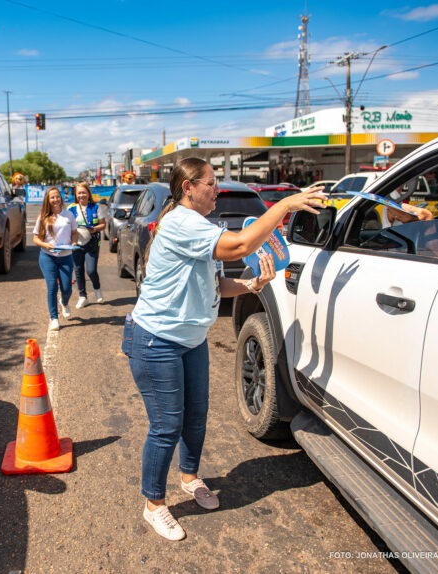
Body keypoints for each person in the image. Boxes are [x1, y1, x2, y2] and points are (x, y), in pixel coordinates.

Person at [122, 157, 326, 541]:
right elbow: (243, 244)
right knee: (167, 426)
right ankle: (153, 504)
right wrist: (283, 206)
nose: (217, 190)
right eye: (212, 184)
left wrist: (251, 286)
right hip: (156, 340)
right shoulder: (181, 222)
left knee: (196, 417)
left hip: (192, 340)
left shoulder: (201, 226)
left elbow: (216, 284)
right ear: (189, 188)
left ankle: (190, 478)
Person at [33, 187, 78, 331]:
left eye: (57, 196)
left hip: (66, 257)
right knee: (52, 287)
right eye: (52, 197)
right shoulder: (43, 217)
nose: (55, 200)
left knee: (67, 288)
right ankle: (54, 318)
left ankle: (64, 302)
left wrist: (74, 242)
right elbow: (35, 238)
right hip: (48, 257)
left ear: (61, 198)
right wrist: (46, 245)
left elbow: (74, 233)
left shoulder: (68, 215)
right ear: (48, 200)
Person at [67, 182, 106, 308]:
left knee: (91, 270)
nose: (82, 195)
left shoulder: (96, 207)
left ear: (89, 194)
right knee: (78, 270)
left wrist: (95, 229)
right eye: (79, 193)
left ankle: (97, 289)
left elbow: (103, 224)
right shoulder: (70, 208)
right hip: (76, 244)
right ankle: (83, 296)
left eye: (84, 192)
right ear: (75, 195)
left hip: (92, 243)